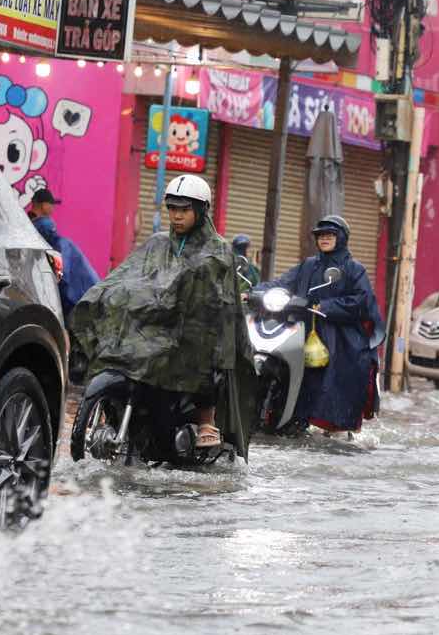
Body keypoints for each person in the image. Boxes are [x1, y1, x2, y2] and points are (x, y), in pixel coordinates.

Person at [69, 174, 253, 451]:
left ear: (201, 211)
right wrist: (103, 295)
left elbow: (207, 289)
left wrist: (171, 296)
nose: (177, 216)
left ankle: (206, 421)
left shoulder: (217, 249)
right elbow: (127, 276)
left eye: (185, 210)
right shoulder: (156, 243)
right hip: (158, 324)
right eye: (172, 209)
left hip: (199, 326)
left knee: (205, 352)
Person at [262, 215, 384, 434]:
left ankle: (334, 428)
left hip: (341, 339)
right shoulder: (309, 265)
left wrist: (325, 307)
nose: (325, 239)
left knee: (334, 382)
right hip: (304, 330)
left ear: (342, 238)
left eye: (330, 235)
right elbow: (283, 282)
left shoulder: (354, 269)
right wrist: (258, 292)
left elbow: (362, 300)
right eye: (321, 235)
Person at [28, 187, 99, 320]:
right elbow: (61, 274)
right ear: (43, 205)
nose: (53, 208)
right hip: (73, 296)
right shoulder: (47, 227)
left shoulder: (28, 225)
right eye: (51, 204)